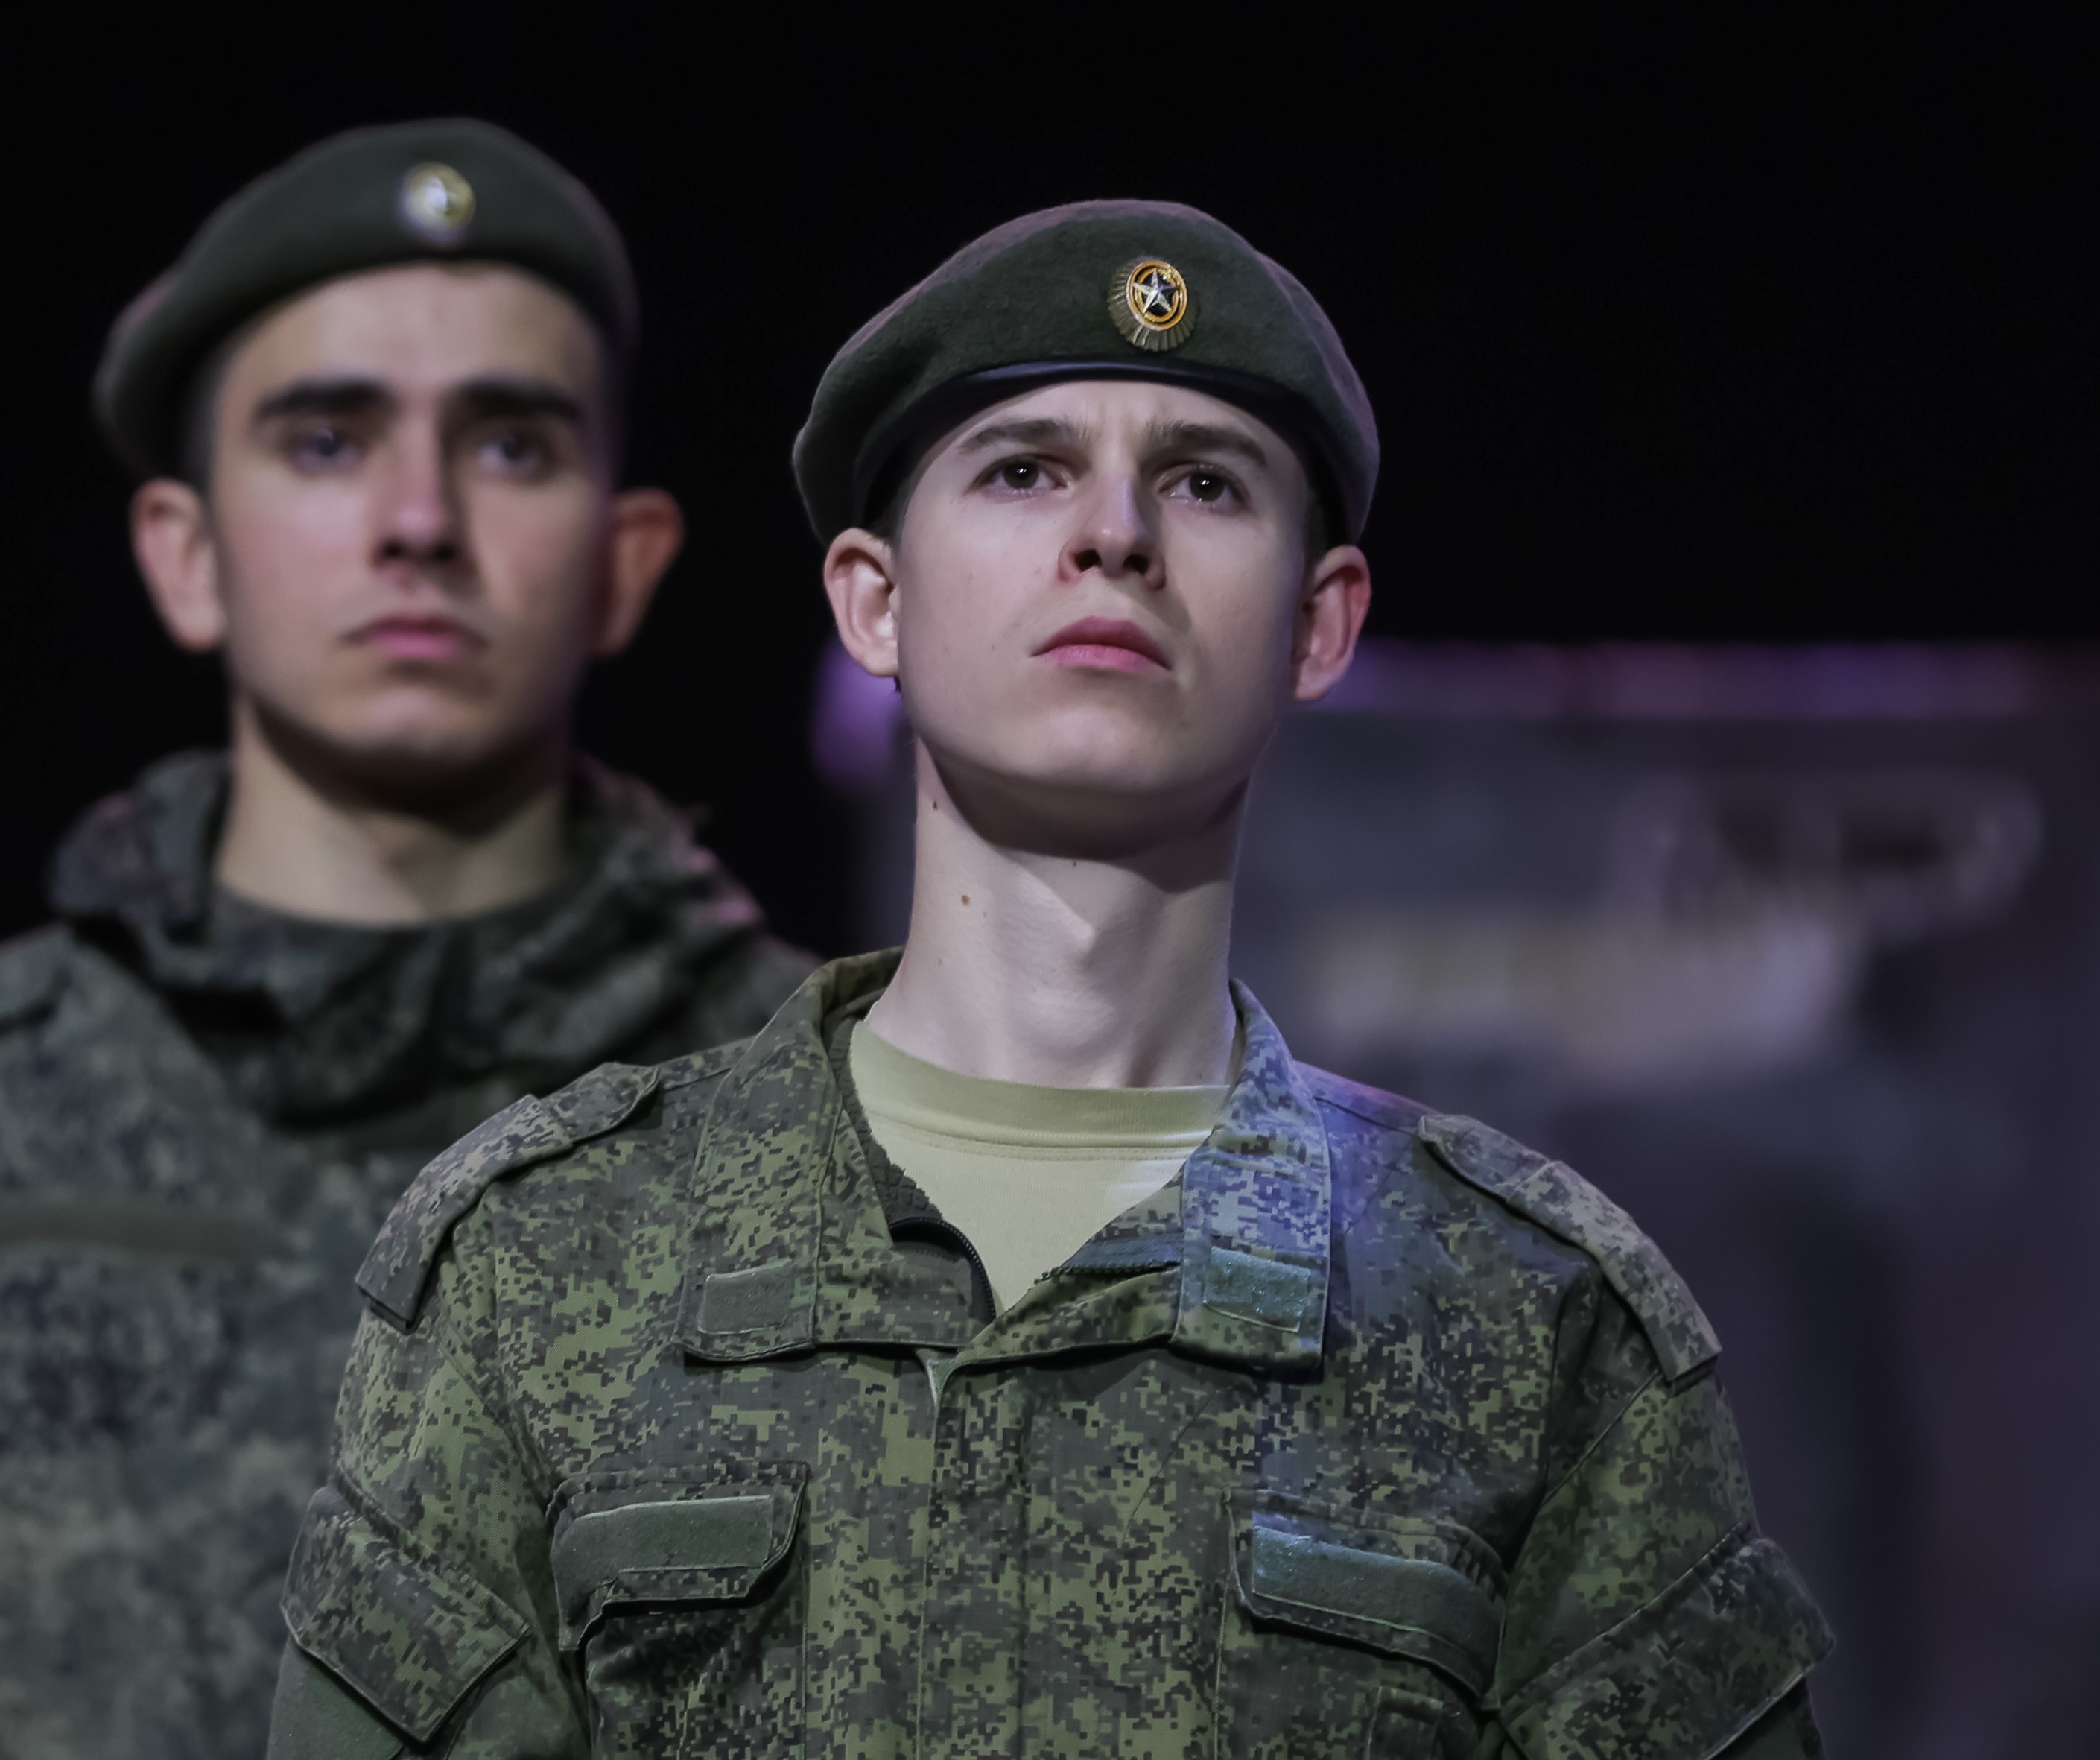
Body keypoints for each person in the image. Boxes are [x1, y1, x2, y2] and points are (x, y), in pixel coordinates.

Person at [268, 201, 1833, 1759]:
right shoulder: (539, 1263)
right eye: (1023, 469)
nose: (1114, 534)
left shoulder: (1528, 1320)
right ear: (873, 599)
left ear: (1317, 621)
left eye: (1204, 481)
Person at [0, 119, 813, 1760]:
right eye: (327, 440)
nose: (419, 518)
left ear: (624, 560)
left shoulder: (841, 1118)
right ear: (184, 550)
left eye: (511, 444)